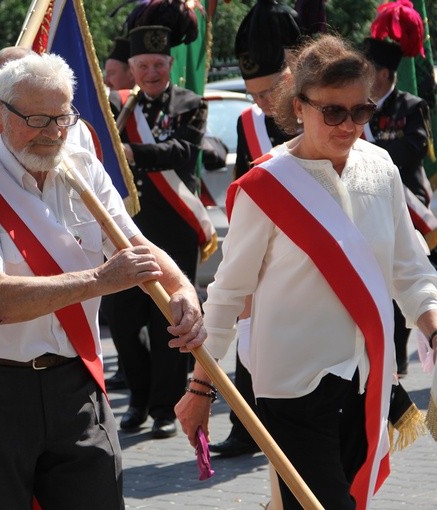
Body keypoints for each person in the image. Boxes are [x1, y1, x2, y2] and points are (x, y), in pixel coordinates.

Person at [174, 34, 437, 509]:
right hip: (293, 386)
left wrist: (433, 330)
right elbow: (229, 294)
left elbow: (411, 270)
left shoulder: (382, 169)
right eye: (333, 111)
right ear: (299, 106)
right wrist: (200, 386)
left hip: (368, 379)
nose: (348, 124)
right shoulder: (265, 186)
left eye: (361, 112)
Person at [0, 52, 204, 509]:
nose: (53, 133)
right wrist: (100, 279)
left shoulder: (81, 167)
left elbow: (135, 248)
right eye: (37, 119)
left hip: (74, 385)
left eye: (62, 117)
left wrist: (182, 290)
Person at [107, 5, 211, 439]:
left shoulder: (191, 104)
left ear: (170, 65)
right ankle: (137, 399)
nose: (150, 72)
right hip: (126, 233)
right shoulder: (119, 110)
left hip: (173, 232)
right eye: (142, 65)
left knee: (171, 323)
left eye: (158, 65)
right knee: (124, 324)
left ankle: (165, 408)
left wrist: (135, 154)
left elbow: (183, 152)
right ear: (131, 68)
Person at [211, 0, 301, 459]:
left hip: (310, 258)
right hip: (265, 254)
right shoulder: (253, 123)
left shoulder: (327, 115)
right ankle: (246, 427)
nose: (263, 104)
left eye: (270, 91)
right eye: (255, 94)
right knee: (248, 338)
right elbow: (243, 186)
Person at [362, 36, 433, 377]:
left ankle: (399, 357)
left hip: (407, 202)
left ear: (386, 74)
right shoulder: (359, 106)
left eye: (369, 70)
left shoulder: (410, 105)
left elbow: (415, 147)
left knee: (403, 277)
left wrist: (371, 157)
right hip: (366, 204)